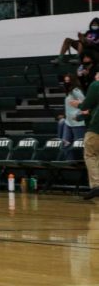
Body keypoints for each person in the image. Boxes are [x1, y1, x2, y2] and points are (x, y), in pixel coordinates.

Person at [72, 71, 98, 200]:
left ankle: (96, 185)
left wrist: (79, 105)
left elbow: (87, 106)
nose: (96, 74)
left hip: (96, 128)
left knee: (90, 154)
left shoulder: (96, 85)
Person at [59, 74, 86, 160]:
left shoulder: (76, 90)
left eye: (68, 81)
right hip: (68, 122)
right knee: (65, 144)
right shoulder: (69, 92)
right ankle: (69, 163)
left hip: (78, 122)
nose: (66, 83)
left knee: (79, 145)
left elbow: (85, 103)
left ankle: (82, 164)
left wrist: (78, 114)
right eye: (65, 81)